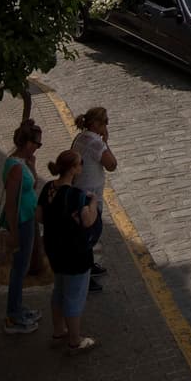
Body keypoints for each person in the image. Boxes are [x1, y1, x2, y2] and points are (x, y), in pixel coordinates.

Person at [38, 150, 99, 353]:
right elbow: (88, 220)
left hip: (54, 249)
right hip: (75, 252)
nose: (82, 167)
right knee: (74, 295)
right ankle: (75, 340)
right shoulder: (76, 195)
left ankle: (58, 330)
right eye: (80, 163)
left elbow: (39, 215)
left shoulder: (48, 188)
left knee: (59, 290)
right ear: (73, 169)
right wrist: (93, 203)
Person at [0, 121, 43, 335]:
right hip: (21, 222)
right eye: (37, 143)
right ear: (26, 142)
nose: (38, 146)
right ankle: (12, 316)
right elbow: (10, 204)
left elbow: (33, 184)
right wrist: (14, 233)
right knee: (19, 269)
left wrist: (33, 165)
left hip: (28, 218)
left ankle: (17, 308)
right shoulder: (15, 168)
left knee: (22, 268)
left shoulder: (23, 162)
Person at [70, 107, 117, 290]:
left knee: (85, 234)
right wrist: (106, 142)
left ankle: (89, 265)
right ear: (95, 124)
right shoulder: (96, 143)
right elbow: (112, 164)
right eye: (105, 121)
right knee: (88, 236)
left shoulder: (80, 138)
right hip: (89, 196)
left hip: (79, 191)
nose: (107, 124)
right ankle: (84, 276)